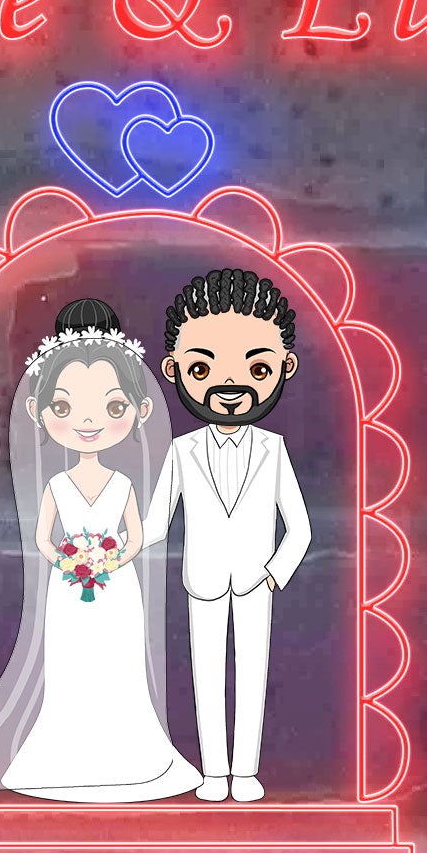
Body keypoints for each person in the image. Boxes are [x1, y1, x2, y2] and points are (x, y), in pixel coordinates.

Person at [0, 297, 201, 802]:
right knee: (71, 667)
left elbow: (136, 534)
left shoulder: (123, 485)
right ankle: (65, 754)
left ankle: (128, 755)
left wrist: (110, 559)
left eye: (113, 408)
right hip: (69, 588)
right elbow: (44, 536)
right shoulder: (57, 485)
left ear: (138, 413)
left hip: (116, 587)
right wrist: (69, 559)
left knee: (117, 667)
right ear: (40, 413)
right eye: (64, 409)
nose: (89, 423)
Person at [144, 268, 310, 802]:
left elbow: (301, 527)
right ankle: (215, 772)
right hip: (204, 579)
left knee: (252, 675)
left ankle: (247, 771)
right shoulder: (182, 450)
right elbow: (156, 521)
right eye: (202, 368)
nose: (230, 386)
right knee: (207, 674)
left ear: (285, 367)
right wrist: (110, 547)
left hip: (257, 581)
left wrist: (273, 573)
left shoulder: (274, 449)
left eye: (257, 368)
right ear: (174, 370)